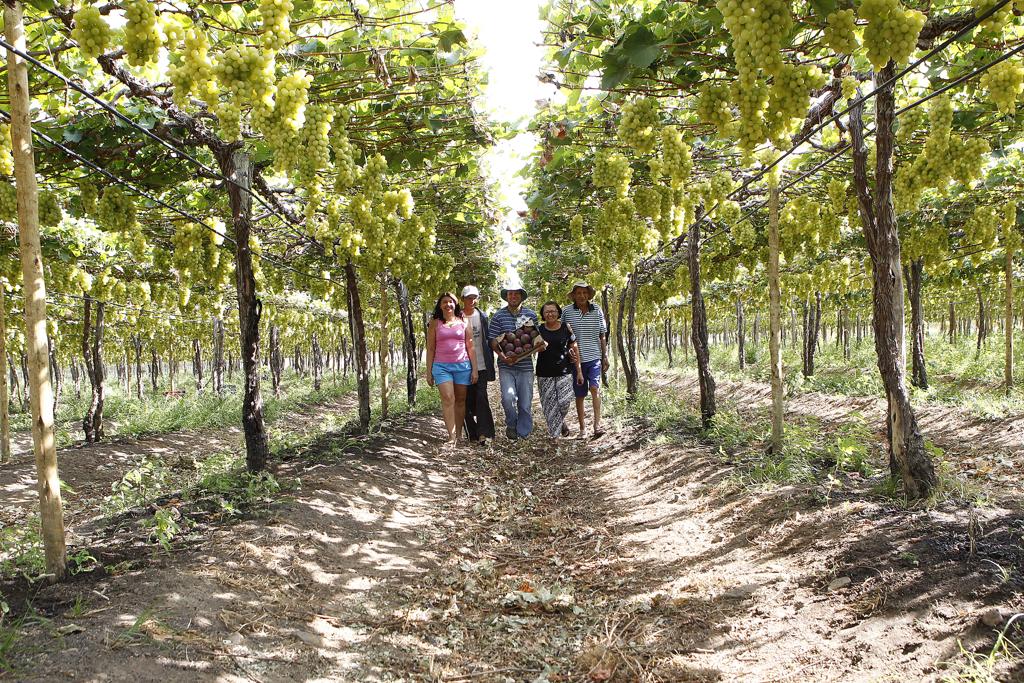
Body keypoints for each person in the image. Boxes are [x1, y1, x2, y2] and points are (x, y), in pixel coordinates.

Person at [487, 281, 545, 440]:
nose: (513, 296)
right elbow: (492, 340)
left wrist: (539, 346)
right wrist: (502, 356)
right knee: (508, 398)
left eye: (516, 294)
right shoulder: (498, 316)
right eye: (510, 294)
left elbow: (535, 338)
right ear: (506, 296)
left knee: (525, 402)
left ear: (521, 297)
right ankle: (511, 424)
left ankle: (523, 431)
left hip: (525, 366)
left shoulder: (531, 315)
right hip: (506, 366)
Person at [425, 292, 478, 445]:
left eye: (451, 302)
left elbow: (470, 346)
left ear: (455, 305)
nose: (448, 305)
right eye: (444, 302)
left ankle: (459, 434)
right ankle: (451, 436)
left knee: (460, 401)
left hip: (462, 366)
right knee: (448, 398)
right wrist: (428, 372)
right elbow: (430, 348)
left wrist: (474, 369)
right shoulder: (435, 323)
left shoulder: (463, 322)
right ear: (440, 305)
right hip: (441, 367)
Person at [561, 281, 609, 438]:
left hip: (594, 356)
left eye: (584, 293)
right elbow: (562, 335)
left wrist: (605, 355)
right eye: (578, 293)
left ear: (588, 295)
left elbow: (602, 335)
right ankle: (582, 428)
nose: (582, 296)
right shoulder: (567, 312)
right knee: (579, 394)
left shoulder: (597, 310)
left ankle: (597, 425)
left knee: (595, 388)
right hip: (575, 360)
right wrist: (567, 352)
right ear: (574, 296)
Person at [535, 301, 583, 439]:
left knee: (564, 402)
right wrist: (538, 348)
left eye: (553, 311)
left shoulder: (566, 328)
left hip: (564, 371)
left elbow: (574, 347)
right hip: (544, 373)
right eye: (547, 312)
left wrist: (578, 371)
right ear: (543, 315)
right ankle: (555, 437)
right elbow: (532, 349)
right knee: (550, 405)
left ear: (558, 313)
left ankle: (560, 422)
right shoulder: (539, 330)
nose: (550, 314)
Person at [460, 285, 496, 445]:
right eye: (468, 298)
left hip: (481, 363)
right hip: (461, 365)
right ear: (462, 299)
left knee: (482, 397)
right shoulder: (457, 317)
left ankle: (485, 433)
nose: (472, 300)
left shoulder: (482, 316)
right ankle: (472, 433)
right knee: (465, 400)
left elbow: (487, 340)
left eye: (474, 297)